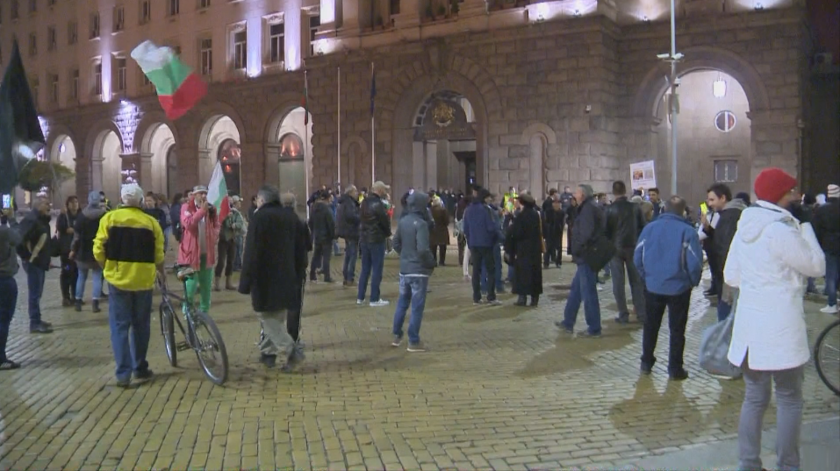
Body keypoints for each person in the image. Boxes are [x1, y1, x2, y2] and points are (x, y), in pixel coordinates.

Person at [725, 168, 825, 471]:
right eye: (792, 191)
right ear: (781, 194)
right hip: (781, 327)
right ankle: (788, 466)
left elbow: (731, 276)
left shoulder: (746, 228)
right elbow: (816, 266)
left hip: (750, 330)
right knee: (790, 398)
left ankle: (748, 464)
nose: (796, 196)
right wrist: (806, 228)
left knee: (754, 398)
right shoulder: (782, 229)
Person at [94, 183, 166, 388]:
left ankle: (123, 374)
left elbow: (98, 249)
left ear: (122, 199)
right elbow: (158, 254)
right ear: (141, 200)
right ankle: (140, 367)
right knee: (141, 326)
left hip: (118, 280)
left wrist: (106, 267)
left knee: (120, 327)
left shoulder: (109, 219)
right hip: (143, 280)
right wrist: (161, 272)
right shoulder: (151, 223)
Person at [239, 186, 308, 371]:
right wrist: (299, 272)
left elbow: (251, 252)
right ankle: (268, 353)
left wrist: (245, 281)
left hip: (264, 277)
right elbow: (301, 248)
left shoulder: (259, 218)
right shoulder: (291, 217)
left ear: (261, 200)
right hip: (288, 275)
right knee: (276, 316)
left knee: (265, 316)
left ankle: (291, 351)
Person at [634, 196, 702, 380]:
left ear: (663, 209)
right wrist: (692, 281)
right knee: (677, 330)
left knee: (651, 326)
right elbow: (695, 262)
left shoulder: (649, 229)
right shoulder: (688, 232)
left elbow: (638, 256)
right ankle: (675, 369)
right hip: (679, 288)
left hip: (653, 286)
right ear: (683, 211)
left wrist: (646, 276)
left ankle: (646, 362)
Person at [390, 191, 436, 352]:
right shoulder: (421, 224)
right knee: (417, 306)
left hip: (405, 269)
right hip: (418, 271)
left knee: (402, 303)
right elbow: (423, 249)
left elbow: (395, 243)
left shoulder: (403, 222)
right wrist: (431, 263)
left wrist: (405, 255)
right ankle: (413, 340)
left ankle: (396, 334)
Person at [556, 185, 604, 337]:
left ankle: (594, 328)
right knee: (576, 291)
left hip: (586, 256)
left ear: (582, 194)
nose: (573, 195)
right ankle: (568, 321)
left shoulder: (588, 209)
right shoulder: (588, 207)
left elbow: (586, 233)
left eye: (576, 192)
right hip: (585, 255)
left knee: (588, 292)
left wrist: (577, 248)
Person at [605, 180, 647, 324]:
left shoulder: (609, 209)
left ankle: (623, 314)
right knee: (636, 282)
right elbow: (643, 227)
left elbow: (605, 231)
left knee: (618, 282)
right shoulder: (635, 208)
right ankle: (641, 313)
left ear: (613, 192)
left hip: (615, 249)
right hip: (633, 248)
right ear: (625, 191)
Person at [707, 185, 748, 321]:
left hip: (728, 278)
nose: (709, 203)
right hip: (729, 275)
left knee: (726, 317)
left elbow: (726, 247)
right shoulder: (731, 214)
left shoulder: (729, 216)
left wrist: (724, 276)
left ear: (723, 198)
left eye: (712, 199)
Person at [178, 186, 220, 313]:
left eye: (205, 193)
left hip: (207, 253)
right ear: (194, 195)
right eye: (200, 193)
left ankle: (204, 312)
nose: (203, 196)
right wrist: (201, 211)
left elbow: (217, 224)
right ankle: (187, 310)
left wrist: (214, 234)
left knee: (206, 286)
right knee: (190, 286)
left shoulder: (211, 209)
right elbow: (189, 224)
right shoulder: (186, 208)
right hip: (191, 253)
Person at [16, 197, 53, 334]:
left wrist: (46, 258)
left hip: (40, 262)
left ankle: (37, 319)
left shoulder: (42, 220)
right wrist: (27, 257)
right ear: (38, 205)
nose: (48, 205)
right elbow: (19, 240)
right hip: (33, 263)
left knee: (37, 293)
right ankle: (34, 322)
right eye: (46, 203)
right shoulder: (31, 221)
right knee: (34, 293)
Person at [463, 188, 503, 306]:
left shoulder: (468, 209)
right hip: (486, 243)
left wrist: (470, 242)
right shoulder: (486, 210)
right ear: (485, 198)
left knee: (476, 271)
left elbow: (466, 229)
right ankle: (491, 296)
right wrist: (497, 237)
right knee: (491, 270)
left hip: (474, 243)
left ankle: (476, 297)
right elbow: (491, 227)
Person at [357, 181, 392, 307]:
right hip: (376, 240)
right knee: (377, 269)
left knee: (365, 268)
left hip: (365, 239)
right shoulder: (378, 204)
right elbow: (384, 222)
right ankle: (374, 298)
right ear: (380, 190)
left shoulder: (364, 202)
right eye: (384, 190)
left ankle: (360, 297)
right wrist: (388, 234)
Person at [71, 192, 107, 313]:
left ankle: (78, 301)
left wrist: (73, 250)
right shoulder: (104, 215)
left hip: (82, 250)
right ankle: (95, 303)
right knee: (97, 276)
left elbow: (76, 236)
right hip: (98, 250)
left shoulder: (82, 216)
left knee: (81, 276)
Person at [506, 194, 543, 306]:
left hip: (523, 249)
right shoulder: (535, 214)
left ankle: (522, 298)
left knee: (522, 274)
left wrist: (511, 228)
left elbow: (517, 233)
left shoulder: (522, 216)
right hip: (535, 248)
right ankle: (534, 298)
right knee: (534, 273)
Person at [0, 206, 22, 369]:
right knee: (3, 320)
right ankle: (1, 358)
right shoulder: (4, 231)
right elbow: (18, 238)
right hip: (4, 279)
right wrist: (11, 220)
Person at [813, 183, 839, 313]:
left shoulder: (822, 210)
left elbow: (817, 229)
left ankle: (832, 303)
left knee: (830, 274)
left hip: (829, 244)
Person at [215, 195, 245, 291]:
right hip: (223, 240)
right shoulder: (221, 213)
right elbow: (218, 222)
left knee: (231, 261)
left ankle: (229, 282)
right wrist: (225, 217)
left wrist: (235, 225)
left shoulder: (236, 213)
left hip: (232, 239)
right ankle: (217, 283)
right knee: (221, 261)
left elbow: (240, 223)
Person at [57, 196, 81, 307]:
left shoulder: (81, 216)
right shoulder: (63, 216)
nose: (75, 204)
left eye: (76, 202)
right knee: (66, 271)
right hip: (66, 251)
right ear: (68, 204)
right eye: (72, 202)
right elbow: (60, 228)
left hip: (77, 250)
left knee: (76, 273)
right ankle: (65, 297)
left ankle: (75, 296)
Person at [308, 190, 336, 284]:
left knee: (316, 256)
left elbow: (310, 222)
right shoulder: (327, 209)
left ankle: (312, 274)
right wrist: (333, 235)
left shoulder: (314, 208)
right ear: (327, 199)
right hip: (326, 236)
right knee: (326, 257)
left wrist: (314, 231)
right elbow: (331, 224)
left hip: (317, 235)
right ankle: (327, 276)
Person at [336, 185, 361, 287]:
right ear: (350, 192)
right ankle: (350, 278)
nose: (357, 193)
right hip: (351, 232)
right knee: (352, 255)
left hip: (346, 231)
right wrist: (360, 217)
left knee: (348, 255)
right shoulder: (349, 203)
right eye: (355, 191)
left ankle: (346, 277)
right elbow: (351, 216)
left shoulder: (343, 202)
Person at [543, 197, 565, 268]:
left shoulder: (561, 212)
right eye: (555, 203)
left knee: (559, 248)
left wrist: (561, 227)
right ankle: (546, 263)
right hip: (550, 232)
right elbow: (546, 222)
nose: (556, 205)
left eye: (558, 203)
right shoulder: (548, 211)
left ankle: (558, 262)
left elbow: (562, 222)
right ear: (552, 204)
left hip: (558, 232)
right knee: (548, 247)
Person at [429, 197, 450, 266]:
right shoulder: (443, 210)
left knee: (433, 247)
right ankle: (441, 262)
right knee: (443, 247)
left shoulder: (430, 210)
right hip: (442, 230)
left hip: (433, 230)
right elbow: (447, 221)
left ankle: (433, 261)